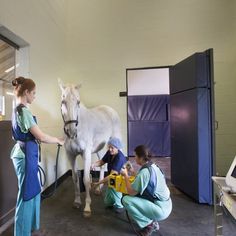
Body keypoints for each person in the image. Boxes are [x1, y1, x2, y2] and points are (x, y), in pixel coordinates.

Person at [11, 76, 65, 236]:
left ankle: (31, 227)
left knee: (33, 191)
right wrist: (58, 140)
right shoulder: (23, 111)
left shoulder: (19, 110)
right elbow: (40, 136)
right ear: (26, 92)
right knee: (26, 194)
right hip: (24, 156)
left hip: (28, 154)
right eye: (33, 93)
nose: (35, 96)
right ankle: (21, 232)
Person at [121, 145, 172, 236]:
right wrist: (132, 172)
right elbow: (145, 179)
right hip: (166, 204)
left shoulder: (144, 172)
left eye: (135, 156)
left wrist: (125, 176)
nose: (134, 158)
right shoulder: (153, 166)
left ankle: (149, 224)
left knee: (126, 200)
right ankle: (152, 220)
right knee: (138, 196)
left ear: (141, 158)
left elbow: (131, 192)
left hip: (160, 209)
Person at [91, 137, 127, 213]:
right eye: (109, 147)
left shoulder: (119, 158)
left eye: (112, 148)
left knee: (114, 187)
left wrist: (98, 183)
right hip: (113, 178)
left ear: (117, 148)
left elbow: (112, 176)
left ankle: (121, 205)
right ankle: (111, 201)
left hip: (121, 180)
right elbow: (102, 162)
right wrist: (94, 164)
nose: (110, 149)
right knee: (107, 202)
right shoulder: (110, 153)